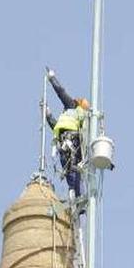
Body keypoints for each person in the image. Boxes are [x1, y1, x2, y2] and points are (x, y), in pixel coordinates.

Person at [45, 70, 90, 200]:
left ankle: (77, 196)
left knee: (71, 171)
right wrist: (48, 115)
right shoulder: (78, 118)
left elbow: (61, 92)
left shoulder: (72, 107)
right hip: (71, 144)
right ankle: (77, 198)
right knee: (73, 172)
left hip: (69, 141)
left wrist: (52, 78)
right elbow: (57, 126)